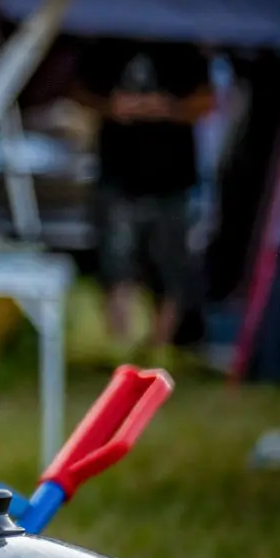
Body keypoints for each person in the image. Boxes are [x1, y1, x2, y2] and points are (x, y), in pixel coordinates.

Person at [72, 38, 215, 355]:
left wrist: (168, 109)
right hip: (118, 174)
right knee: (115, 263)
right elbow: (79, 90)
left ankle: (160, 351)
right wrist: (112, 107)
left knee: (170, 267)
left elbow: (207, 101)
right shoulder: (110, 38)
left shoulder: (184, 43)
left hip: (171, 178)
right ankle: (119, 349)